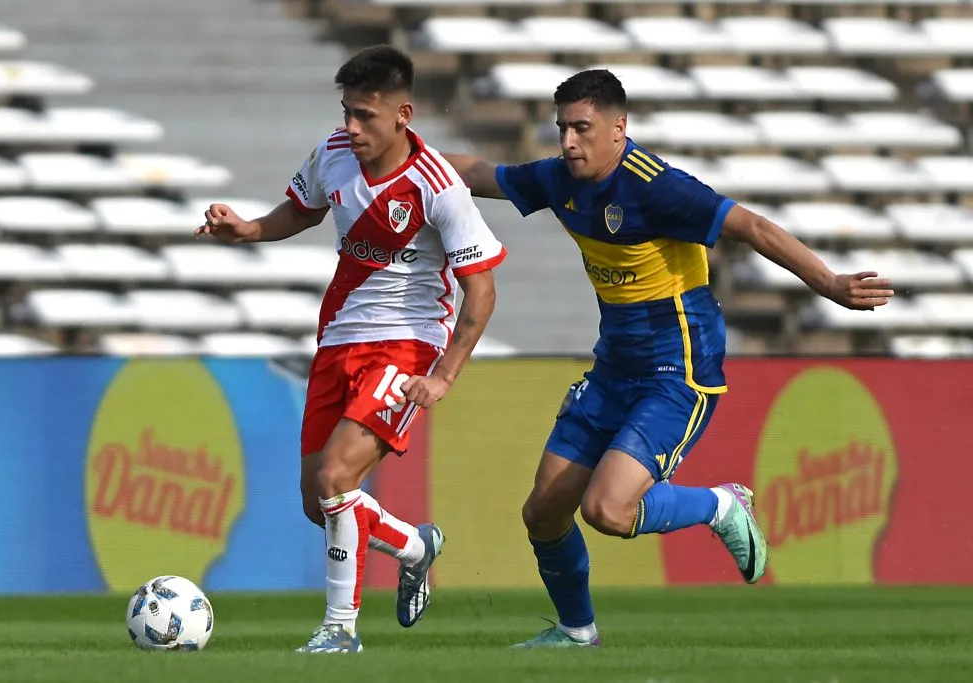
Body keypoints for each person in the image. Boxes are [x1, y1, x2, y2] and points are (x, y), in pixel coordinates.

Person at [442, 68, 894, 649]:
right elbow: (480, 174)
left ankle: (719, 504)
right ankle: (578, 632)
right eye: (562, 129)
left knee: (607, 509)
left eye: (581, 128)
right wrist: (405, 156)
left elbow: (751, 225)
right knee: (544, 513)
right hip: (613, 368)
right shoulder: (560, 178)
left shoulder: (656, 186)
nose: (568, 142)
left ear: (618, 128)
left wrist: (829, 283)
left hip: (677, 369)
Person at [196, 45, 507, 653]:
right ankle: (415, 547)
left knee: (339, 477)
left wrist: (443, 376)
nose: (350, 127)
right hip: (338, 338)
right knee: (321, 502)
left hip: (408, 345)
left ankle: (339, 630)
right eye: (346, 112)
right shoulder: (333, 155)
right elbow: (301, 210)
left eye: (364, 115)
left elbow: (482, 292)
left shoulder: (438, 185)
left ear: (403, 114)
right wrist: (249, 230)